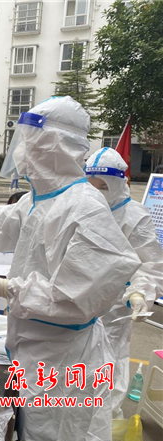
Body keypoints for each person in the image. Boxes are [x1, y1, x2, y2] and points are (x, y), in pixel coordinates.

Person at [0, 96, 141, 441]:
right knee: (30, 435)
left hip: (63, 363)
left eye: (33, 141)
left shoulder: (85, 207)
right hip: (33, 351)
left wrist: (6, 289)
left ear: (56, 146)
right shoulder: (38, 200)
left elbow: (74, 298)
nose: (24, 150)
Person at [86, 147, 163, 419]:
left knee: (109, 359)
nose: (98, 192)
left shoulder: (134, 216)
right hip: (78, 301)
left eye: (104, 186)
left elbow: (149, 263)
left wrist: (140, 292)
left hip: (115, 307)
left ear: (120, 183)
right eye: (91, 185)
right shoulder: (82, 209)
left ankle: (104, 420)